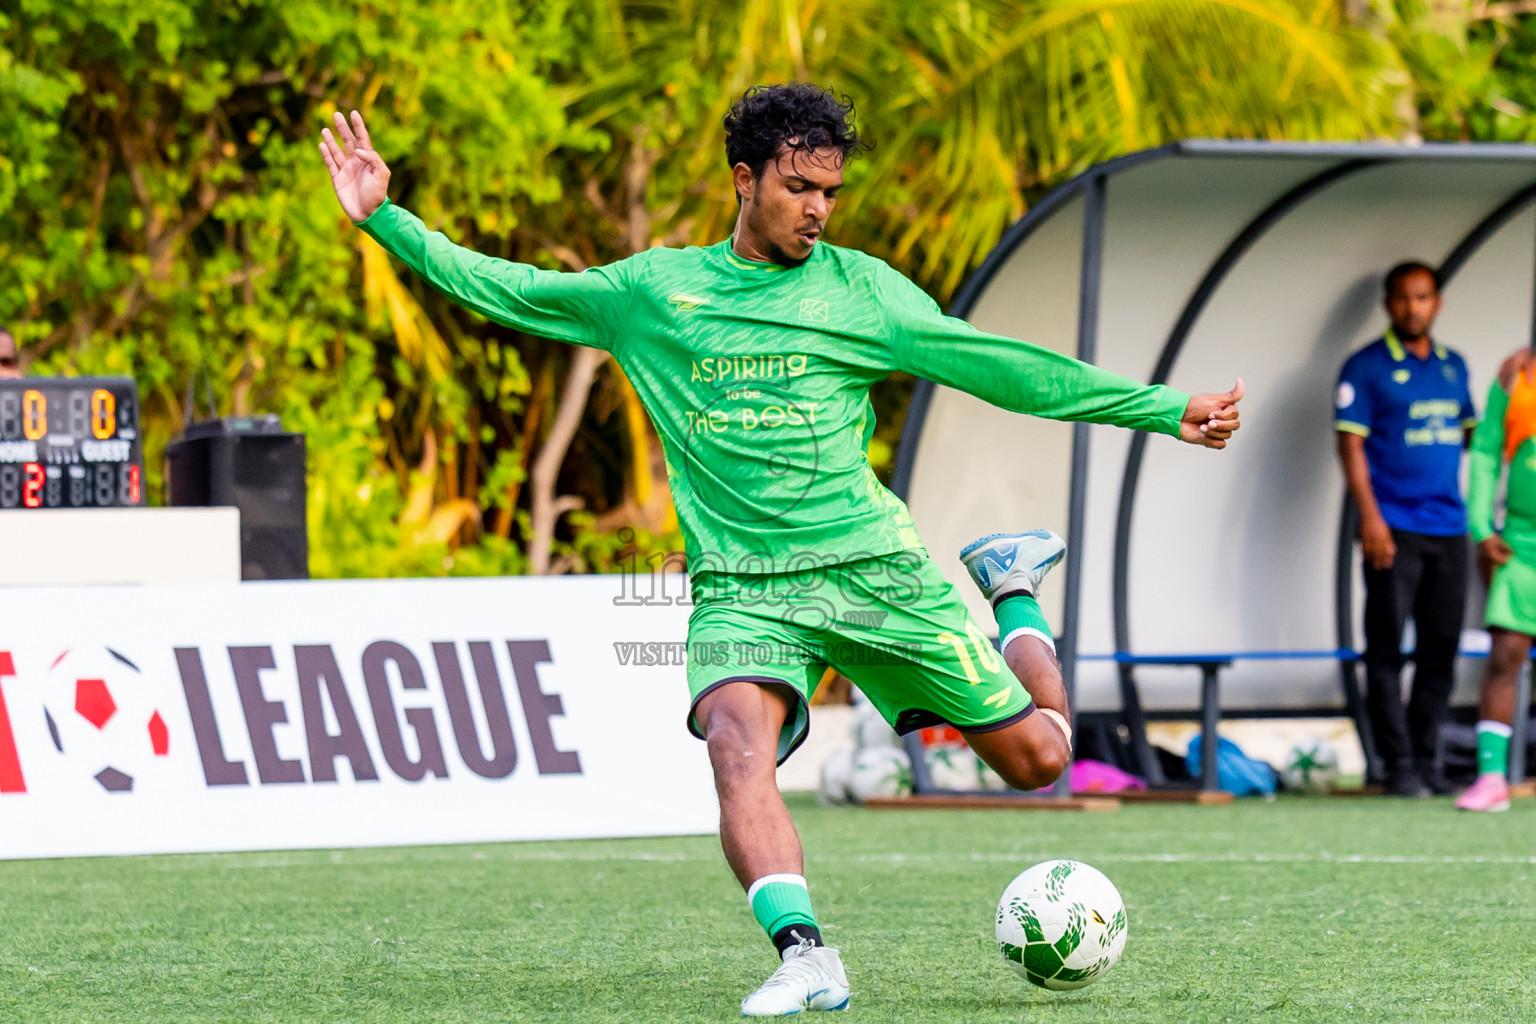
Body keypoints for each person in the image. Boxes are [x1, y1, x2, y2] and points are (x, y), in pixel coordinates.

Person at [319, 84, 1244, 1016]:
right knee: (733, 743)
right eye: (799, 186)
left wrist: (1164, 409)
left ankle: (1010, 587)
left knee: (1040, 761)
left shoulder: (862, 291)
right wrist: (385, 220)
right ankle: (807, 956)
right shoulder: (655, 294)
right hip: (744, 589)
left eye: (831, 192)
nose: (817, 209)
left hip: (872, 572)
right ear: (743, 179)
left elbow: (999, 363)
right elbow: (513, 290)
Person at [1335, 262, 1477, 798]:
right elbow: (1349, 445)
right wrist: (1370, 518)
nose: (1413, 307)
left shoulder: (1452, 366)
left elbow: (1473, 440)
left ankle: (1426, 758)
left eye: (1422, 297)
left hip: (1449, 526)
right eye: (1403, 298)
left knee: (1441, 648)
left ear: (1436, 303)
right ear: (1388, 305)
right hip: (1392, 528)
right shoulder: (1366, 367)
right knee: (1386, 650)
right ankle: (1396, 765)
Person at [1459, 349, 1536, 812]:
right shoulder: (1515, 375)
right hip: (1521, 542)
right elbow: (1486, 450)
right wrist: (1482, 527)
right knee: (1506, 653)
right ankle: (1491, 779)